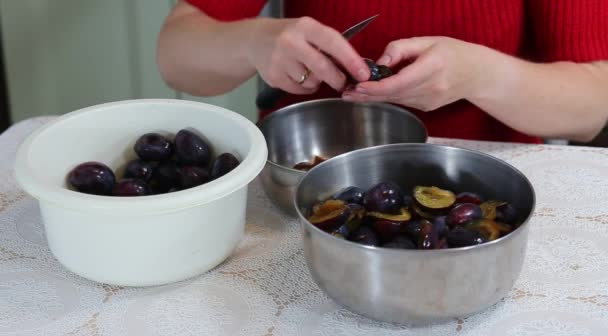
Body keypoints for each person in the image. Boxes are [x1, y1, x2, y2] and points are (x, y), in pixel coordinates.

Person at [157, 0, 608, 144]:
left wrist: (481, 75)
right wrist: (250, 41)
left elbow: (593, 102)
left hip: (481, 192)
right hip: (303, 180)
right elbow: (176, 55)